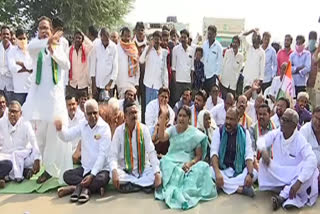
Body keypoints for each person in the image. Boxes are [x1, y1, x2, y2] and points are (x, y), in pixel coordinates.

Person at [22, 16, 72, 184]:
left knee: (54, 137)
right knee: (40, 139)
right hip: (38, 104)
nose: (43, 31)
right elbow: (30, 47)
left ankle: (50, 170)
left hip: (54, 102)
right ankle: (45, 164)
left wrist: (53, 50)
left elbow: (66, 65)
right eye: (41, 28)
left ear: (51, 30)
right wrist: (48, 41)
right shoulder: (35, 46)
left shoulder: (60, 46)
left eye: (46, 28)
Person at [155, 105, 217, 209]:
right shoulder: (172, 130)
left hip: (188, 163)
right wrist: (163, 115)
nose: (181, 118)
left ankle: (183, 194)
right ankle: (177, 193)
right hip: (171, 161)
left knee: (203, 166)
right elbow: (161, 138)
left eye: (184, 116)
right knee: (164, 162)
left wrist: (190, 163)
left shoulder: (194, 133)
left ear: (189, 119)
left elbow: (198, 156)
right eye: (179, 116)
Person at [257, 109, 319, 210]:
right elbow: (261, 140)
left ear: (294, 125)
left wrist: (299, 182)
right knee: (262, 162)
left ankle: (281, 197)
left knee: (311, 171)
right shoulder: (277, 133)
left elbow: (312, 159)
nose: (281, 122)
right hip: (278, 174)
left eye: (285, 120)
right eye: (282, 119)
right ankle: (286, 192)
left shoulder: (300, 139)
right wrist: (264, 151)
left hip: (294, 176)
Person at [55, 99, 111, 203]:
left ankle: (77, 188)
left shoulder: (104, 128)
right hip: (85, 168)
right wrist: (60, 129)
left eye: (95, 113)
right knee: (66, 175)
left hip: (100, 170)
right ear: (84, 114)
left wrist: (92, 175)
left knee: (102, 179)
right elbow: (67, 136)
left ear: (98, 112)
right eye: (89, 114)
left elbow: (102, 155)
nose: (93, 116)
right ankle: (89, 188)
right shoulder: (82, 124)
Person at [110, 102, 161, 193]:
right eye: (131, 113)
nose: (134, 116)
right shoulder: (119, 131)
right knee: (111, 173)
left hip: (143, 169)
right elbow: (113, 155)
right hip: (125, 171)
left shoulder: (144, 129)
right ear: (125, 116)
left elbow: (151, 152)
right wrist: (114, 171)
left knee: (159, 173)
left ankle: (133, 185)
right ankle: (144, 185)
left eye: (135, 113)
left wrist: (157, 173)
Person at [211, 107, 257, 197]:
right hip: (222, 170)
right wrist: (217, 173)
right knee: (208, 171)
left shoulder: (244, 133)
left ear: (238, 120)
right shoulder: (219, 131)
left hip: (239, 171)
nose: (228, 122)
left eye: (231, 119)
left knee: (255, 173)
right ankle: (240, 189)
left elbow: (248, 155)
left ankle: (223, 186)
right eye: (227, 118)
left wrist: (249, 174)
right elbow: (214, 153)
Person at [0, 101, 41, 188]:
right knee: (8, 164)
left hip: (23, 157)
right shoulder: (1, 123)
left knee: (36, 153)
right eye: (10, 111)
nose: (12, 114)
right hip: (7, 157)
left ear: (20, 113)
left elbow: (34, 141)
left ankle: (6, 176)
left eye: (15, 112)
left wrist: (37, 159)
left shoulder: (26, 124)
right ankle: (22, 172)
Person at [140, 31, 168, 105]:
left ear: (161, 40)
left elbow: (165, 70)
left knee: (157, 108)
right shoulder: (148, 49)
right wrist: (149, 48)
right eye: (155, 39)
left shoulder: (164, 52)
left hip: (159, 85)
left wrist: (166, 85)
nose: (156, 41)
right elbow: (141, 60)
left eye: (158, 39)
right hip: (149, 84)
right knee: (149, 107)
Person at [91, 28, 118, 101]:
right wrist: (93, 85)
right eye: (103, 39)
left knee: (108, 109)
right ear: (100, 37)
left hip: (109, 85)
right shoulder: (96, 45)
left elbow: (115, 67)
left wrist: (110, 83)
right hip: (97, 84)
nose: (105, 41)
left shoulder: (113, 47)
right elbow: (93, 65)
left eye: (107, 39)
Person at [7, 28, 32, 105]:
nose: (22, 40)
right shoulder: (12, 51)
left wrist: (21, 64)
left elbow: (33, 66)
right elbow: (12, 68)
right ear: (16, 39)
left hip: (31, 88)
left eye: (24, 38)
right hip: (19, 89)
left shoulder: (31, 50)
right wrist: (27, 69)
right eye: (20, 38)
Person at [66, 30, 93, 99]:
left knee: (83, 107)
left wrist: (83, 35)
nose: (78, 40)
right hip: (72, 84)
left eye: (79, 38)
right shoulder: (69, 50)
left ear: (82, 40)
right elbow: (67, 66)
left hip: (83, 84)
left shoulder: (85, 50)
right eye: (76, 38)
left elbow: (91, 45)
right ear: (73, 39)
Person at [249, 104, 276, 170]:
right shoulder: (252, 129)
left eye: (264, 114)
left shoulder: (276, 129)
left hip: (273, 162)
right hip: (257, 162)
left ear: (269, 115)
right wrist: (256, 162)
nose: (261, 116)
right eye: (259, 114)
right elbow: (252, 148)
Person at [171, 29, 194, 105]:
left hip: (187, 82)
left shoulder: (192, 50)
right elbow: (173, 68)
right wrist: (175, 82)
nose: (183, 39)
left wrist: (191, 82)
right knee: (177, 102)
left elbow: (192, 68)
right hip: (178, 81)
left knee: (187, 102)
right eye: (182, 37)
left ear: (188, 39)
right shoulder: (175, 49)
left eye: (185, 37)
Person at [300, 106, 320, 191]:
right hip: (307, 170)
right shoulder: (304, 131)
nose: (318, 122)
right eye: (317, 118)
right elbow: (302, 157)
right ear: (312, 116)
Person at [116, 27, 140, 98]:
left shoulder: (134, 49)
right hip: (121, 82)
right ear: (121, 36)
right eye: (125, 35)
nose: (127, 38)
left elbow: (137, 67)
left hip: (132, 82)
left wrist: (137, 82)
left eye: (129, 36)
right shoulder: (117, 48)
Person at [202, 25, 223, 95]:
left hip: (212, 77)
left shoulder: (218, 47)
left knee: (212, 96)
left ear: (215, 34)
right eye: (208, 33)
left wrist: (216, 75)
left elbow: (220, 62)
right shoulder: (204, 44)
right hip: (204, 76)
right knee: (203, 96)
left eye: (211, 34)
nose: (209, 35)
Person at [65, 96, 85, 164]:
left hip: (79, 149)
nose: (71, 107)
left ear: (77, 104)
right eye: (69, 105)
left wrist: (77, 151)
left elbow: (84, 137)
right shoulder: (63, 117)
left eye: (73, 104)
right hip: (66, 149)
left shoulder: (82, 117)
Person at [0, 25, 14, 103]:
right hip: (0, 84)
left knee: (10, 108)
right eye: (4, 34)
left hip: (10, 85)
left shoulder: (15, 50)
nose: (6, 36)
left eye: (7, 34)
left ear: (10, 36)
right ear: (0, 35)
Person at [306, 31, 318, 109]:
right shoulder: (305, 51)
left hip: (315, 85)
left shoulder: (318, 52)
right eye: (310, 38)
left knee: (315, 106)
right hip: (305, 84)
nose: (312, 40)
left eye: (313, 38)